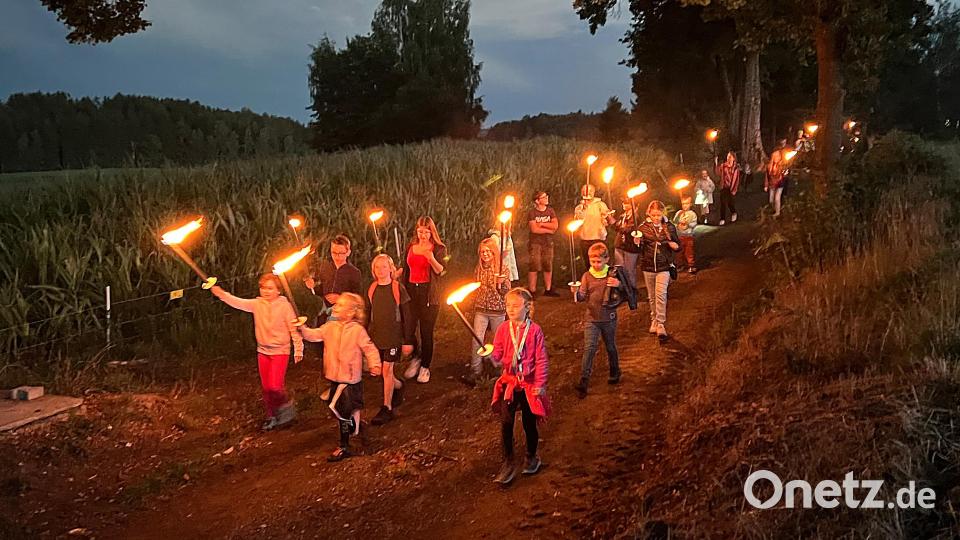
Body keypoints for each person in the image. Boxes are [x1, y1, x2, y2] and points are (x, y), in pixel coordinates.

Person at [210, 275, 303, 431]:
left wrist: (298, 348)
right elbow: (237, 302)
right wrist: (220, 293)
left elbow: (294, 328)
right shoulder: (257, 304)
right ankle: (271, 416)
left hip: (280, 351)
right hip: (263, 351)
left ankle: (287, 409)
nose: (266, 291)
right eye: (263, 288)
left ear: (278, 290)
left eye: (270, 288)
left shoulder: (284, 306)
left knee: (275, 387)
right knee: (266, 389)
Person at [299, 293, 381, 462]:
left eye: (341, 305)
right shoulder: (330, 327)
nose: (336, 307)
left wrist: (375, 364)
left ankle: (344, 446)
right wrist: (302, 328)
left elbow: (369, 348)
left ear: (351, 312)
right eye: (337, 304)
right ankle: (353, 426)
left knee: (341, 411)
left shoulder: (357, 330)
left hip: (350, 379)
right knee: (339, 410)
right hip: (334, 377)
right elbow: (313, 335)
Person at [489, 288, 550, 485]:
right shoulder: (502, 329)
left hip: (528, 384)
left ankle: (532, 456)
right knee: (506, 422)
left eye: (515, 306)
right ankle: (508, 462)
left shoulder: (535, 331)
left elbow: (541, 359)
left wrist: (540, 384)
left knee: (528, 422)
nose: (511, 309)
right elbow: (498, 354)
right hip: (510, 382)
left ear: (527, 307)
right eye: (508, 305)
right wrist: (491, 354)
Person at [570, 242, 629, 398]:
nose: (595, 265)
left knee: (610, 346)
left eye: (598, 261)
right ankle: (584, 380)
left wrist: (619, 284)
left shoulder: (613, 274)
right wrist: (576, 292)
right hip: (592, 318)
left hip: (609, 318)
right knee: (589, 348)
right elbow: (582, 297)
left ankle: (615, 371)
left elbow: (626, 291)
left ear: (606, 259)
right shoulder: (587, 276)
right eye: (592, 261)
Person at [366, 254, 414, 426]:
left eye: (384, 267)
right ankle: (399, 386)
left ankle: (387, 407)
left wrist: (408, 340)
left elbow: (407, 315)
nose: (381, 270)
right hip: (377, 336)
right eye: (377, 267)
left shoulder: (397, 288)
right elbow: (368, 313)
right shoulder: (372, 289)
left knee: (387, 370)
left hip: (393, 337)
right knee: (383, 372)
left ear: (391, 268)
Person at [401, 216, 446, 384]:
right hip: (411, 290)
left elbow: (441, 271)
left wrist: (431, 258)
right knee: (409, 327)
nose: (423, 235)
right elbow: (406, 268)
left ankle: (425, 366)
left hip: (428, 293)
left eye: (426, 232)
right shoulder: (410, 247)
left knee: (426, 331)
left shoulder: (439, 248)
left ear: (432, 232)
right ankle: (416, 358)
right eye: (420, 231)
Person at [462, 238, 510, 387]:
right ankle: (476, 370)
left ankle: (499, 368)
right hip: (481, 308)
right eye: (483, 251)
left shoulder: (502, 269)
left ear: (494, 252)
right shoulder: (479, 268)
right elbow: (475, 287)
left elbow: (506, 291)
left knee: (498, 340)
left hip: (498, 310)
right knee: (477, 338)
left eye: (488, 251)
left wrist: (502, 284)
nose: (485, 254)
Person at [636, 200, 681, 340]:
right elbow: (639, 248)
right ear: (649, 213)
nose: (656, 217)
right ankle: (654, 319)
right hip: (648, 266)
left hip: (664, 266)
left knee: (661, 294)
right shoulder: (642, 228)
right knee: (652, 296)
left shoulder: (669, 227)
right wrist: (637, 242)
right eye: (653, 215)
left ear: (662, 213)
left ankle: (661, 323)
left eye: (658, 215)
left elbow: (677, 244)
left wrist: (673, 245)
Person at [304, 234, 362, 325]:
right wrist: (312, 284)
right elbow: (318, 288)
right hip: (324, 312)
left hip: (341, 314)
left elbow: (357, 298)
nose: (337, 256)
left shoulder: (354, 272)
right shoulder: (325, 266)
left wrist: (341, 298)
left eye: (341, 253)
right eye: (334, 253)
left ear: (348, 252)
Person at [526, 191, 559, 297]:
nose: (546, 198)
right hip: (535, 243)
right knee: (534, 265)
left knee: (548, 265)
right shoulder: (532, 213)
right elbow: (534, 229)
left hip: (548, 242)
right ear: (537, 200)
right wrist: (549, 229)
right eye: (544, 197)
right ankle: (532, 290)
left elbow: (555, 226)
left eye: (546, 196)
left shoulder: (550, 211)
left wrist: (541, 224)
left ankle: (548, 289)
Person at [574, 184, 615, 265]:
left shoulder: (600, 205)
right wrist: (582, 210)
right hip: (585, 239)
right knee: (588, 263)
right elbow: (577, 222)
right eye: (585, 191)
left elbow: (608, 219)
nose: (588, 193)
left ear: (593, 192)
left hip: (598, 238)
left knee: (600, 262)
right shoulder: (579, 207)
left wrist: (607, 217)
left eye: (590, 191)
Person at [613, 196, 641, 290]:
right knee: (620, 269)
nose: (624, 205)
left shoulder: (636, 217)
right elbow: (618, 228)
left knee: (629, 270)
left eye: (627, 203)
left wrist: (614, 223)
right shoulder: (623, 216)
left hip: (630, 247)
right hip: (620, 245)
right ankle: (623, 290)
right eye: (623, 203)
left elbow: (628, 230)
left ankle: (631, 291)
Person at [672, 197, 699, 273]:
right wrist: (678, 225)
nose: (685, 205)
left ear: (690, 204)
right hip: (680, 236)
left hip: (688, 236)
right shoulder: (679, 213)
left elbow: (694, 223)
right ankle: (680, 265)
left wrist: (688, 224)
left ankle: (691, 265)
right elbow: (674, 221)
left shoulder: (692, 214)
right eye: (683, 204)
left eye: (687, 203)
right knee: (679, 252)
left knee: (689, 251)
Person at [714, 152, 741, 226]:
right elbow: (718, 173)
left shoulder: (735, 168)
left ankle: (733, 212)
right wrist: (716, 163)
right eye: (728, 156)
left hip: (731, 187)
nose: (728, 158)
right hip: (724, 187)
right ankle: (722, 218)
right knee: (723, 203)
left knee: (730, 203)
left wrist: (734, 189)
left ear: (733, 158)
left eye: (730, 157)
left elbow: (736, 179)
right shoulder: (723, 166)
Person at [765, 148, 787, 217]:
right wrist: (766, 185)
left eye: (778, 156)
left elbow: (784, 174)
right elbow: (767, 176)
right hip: (772, 184)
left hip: (780, 184)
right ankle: (773, 210)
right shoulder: (769, 166)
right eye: (775, 156)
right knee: (771, 200)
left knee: (777, 198)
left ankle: (777, 213)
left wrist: (784, 173)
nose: (777, 157)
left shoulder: (782, 165)